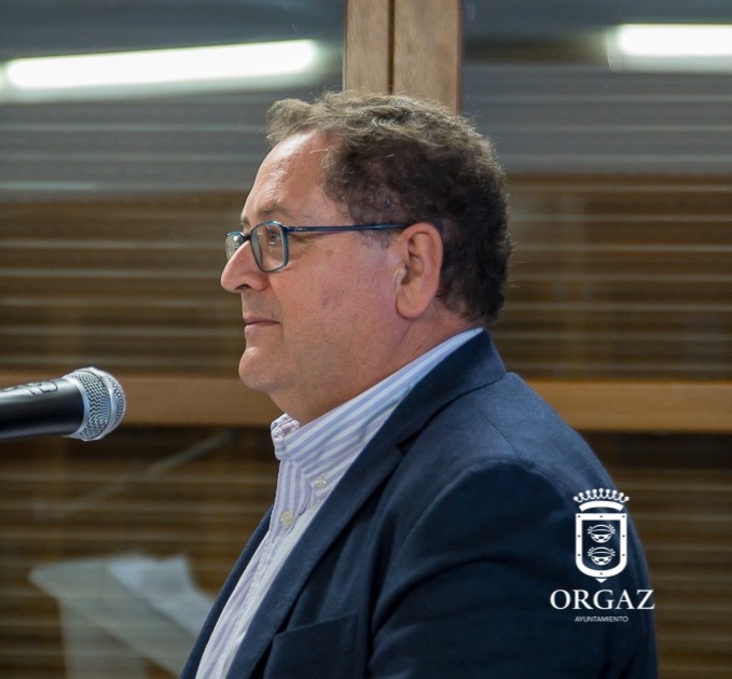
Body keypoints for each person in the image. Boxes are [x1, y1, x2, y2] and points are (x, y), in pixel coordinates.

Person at [181, 91, 657, 678]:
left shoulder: (498, 499)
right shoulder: (353, 461)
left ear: (411, 267)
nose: (235, 275)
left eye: (276, 237)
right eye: (243, 239)